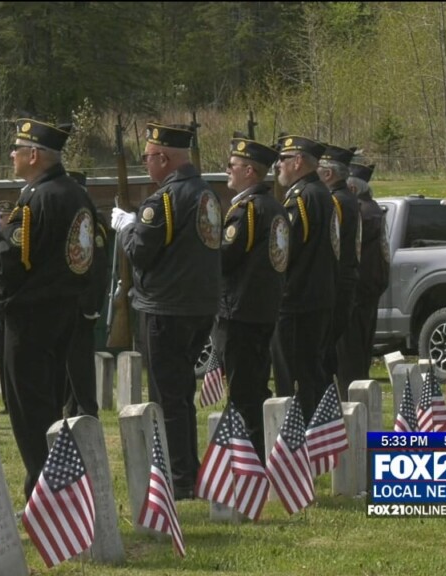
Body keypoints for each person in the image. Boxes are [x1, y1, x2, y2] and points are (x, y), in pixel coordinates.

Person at [112, 122, 222, 500]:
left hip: (166, 308)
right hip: (198, 306)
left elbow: (142, 251)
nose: (145, 162)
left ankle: (180, 478)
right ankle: (187, 470)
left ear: (163, 157)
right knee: (181, 394)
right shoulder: (206, 193)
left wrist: (127, 228)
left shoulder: (163, 200)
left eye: (147, 156)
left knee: (167, 396)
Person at [0, 117, 95, 501]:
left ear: (34, 155)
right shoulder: (76, 194)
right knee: (49, 406)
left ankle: (42, 490)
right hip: (63, 312)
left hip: (29, 317)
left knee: (30, 412)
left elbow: (8, 263)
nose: (12, 156)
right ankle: (53, 489)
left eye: (17, 149)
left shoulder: (36, 199)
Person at [213, 132, 288, 462]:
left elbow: (225, 259)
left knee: (243, 392)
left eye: (233, 165)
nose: (227, 170)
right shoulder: (274, 207)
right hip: (263, 310)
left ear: (250, 171)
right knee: (256, 387)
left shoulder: (247, 210)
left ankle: (249, 458)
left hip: (240, 312)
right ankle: (257, 452)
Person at [270, 134, 337, 423]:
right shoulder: (322, 193)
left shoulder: (302, 197)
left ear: (298, 161)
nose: (278, 166)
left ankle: (301, 437)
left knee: (294, 376)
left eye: (283, 160)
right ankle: (319, 432)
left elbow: (286, 252)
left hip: (297, 300)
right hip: (318, 296)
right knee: (312, 371)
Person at [338, 162, 390, 385]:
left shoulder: (362, 213)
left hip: (358, 292)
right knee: (359, 354)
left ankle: (352, 398)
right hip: (369, 290)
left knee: (350, 357)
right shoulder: (373, 209)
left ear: (352, 189)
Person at [317, 144, 361, 400]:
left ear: (328, 175)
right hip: (345, 281)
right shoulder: (348, 198)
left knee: (325, 352)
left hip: (337, 283)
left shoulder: (336, 201)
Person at [64, 171, 109, 419]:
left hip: (81, 305)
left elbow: (98, 265)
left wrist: (91, 305)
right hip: (69, 303)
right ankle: (71, 409)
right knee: (70, 363)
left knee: (79, 361)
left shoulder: (91, 219)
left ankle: (86, 411)